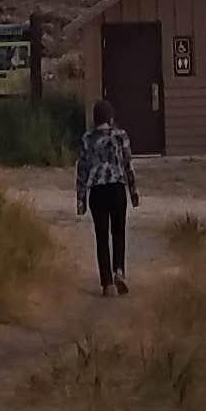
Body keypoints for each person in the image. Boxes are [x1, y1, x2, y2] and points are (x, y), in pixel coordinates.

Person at [75, 94, 140, 293]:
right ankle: (119, 270)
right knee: (118, 232)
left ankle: (107, 284)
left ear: (95, 119)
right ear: (110, 117)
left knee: (102, 237)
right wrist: (133, 191)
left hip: (97, 191)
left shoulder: (87, 139)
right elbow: (128, 164)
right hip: (117, 187)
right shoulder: (121, 136)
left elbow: (82, 170)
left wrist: (81, 200)